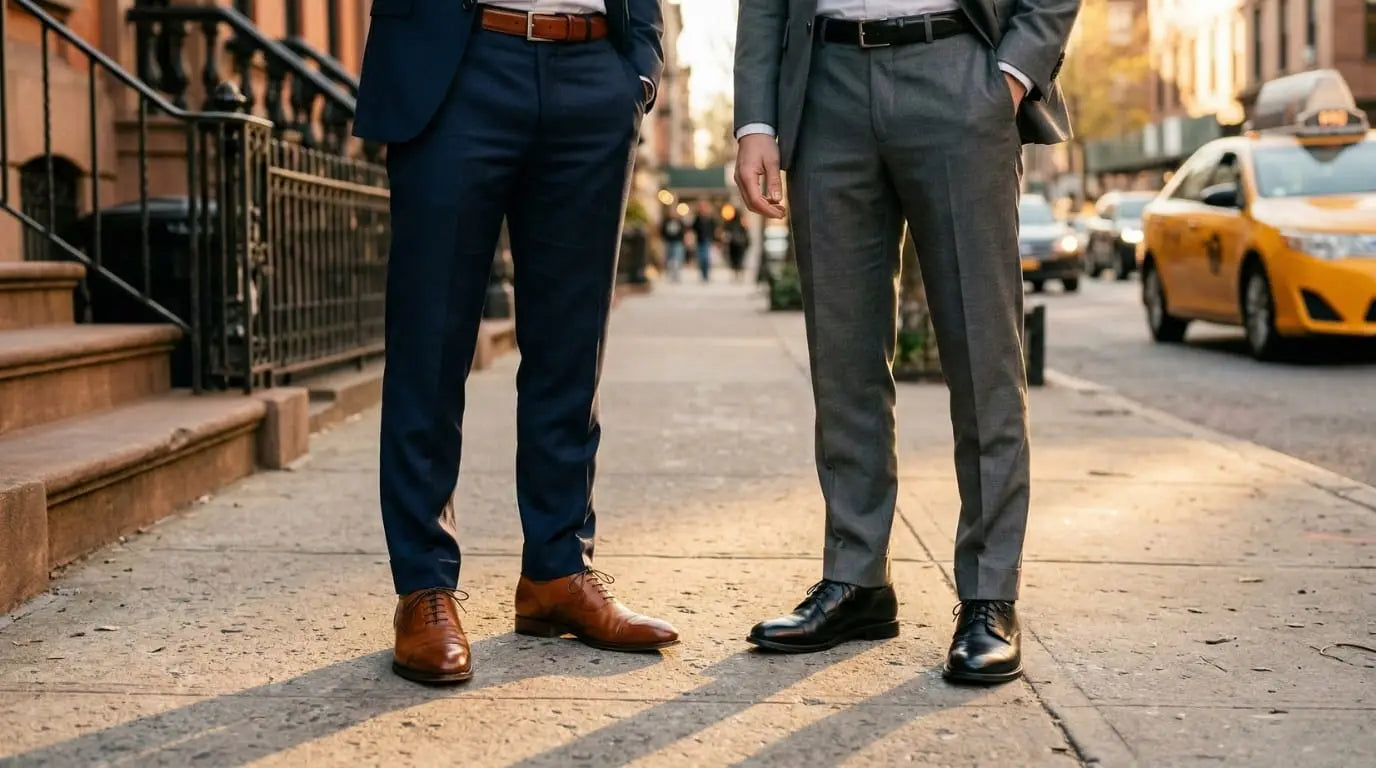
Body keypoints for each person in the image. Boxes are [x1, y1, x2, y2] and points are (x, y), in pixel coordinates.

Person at [733, 0, 1079, 684]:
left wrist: (1011, 74)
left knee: (984, 354)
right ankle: (856, 579)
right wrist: (756, 120)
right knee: (842, 357)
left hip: (957, 66)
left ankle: (989, 594)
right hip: (823, 80)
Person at [354, 0, 679, 686]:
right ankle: (423, 587)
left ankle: (557, 572)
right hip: (459, 62)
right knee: (430, 343)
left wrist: (640, 67)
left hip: (595, 68)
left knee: (571, 346)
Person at [689, 201, 718, 282]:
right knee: (702, 259)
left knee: (707, 259)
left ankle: (706, 275)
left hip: (709, 240)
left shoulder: (710, 218)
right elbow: (693, 228)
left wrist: (716, 240)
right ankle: (703, 275)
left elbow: (714, 229)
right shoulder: (697, 218)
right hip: (700, 240)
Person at [660, 211, 687, 282]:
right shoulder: (666, 222)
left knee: (677, 258)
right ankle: (671, 274)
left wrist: (683, 240)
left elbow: (683, 232)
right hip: (669, 242)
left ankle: (677, 274)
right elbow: (662, 231)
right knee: (670, 259)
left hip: (678, 242)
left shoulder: (680, 222)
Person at [724, 212, 749, 280]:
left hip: (734, 244)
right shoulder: (742, 223)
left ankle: (736, 274)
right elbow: (746, 234)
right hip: (740, 244)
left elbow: (727, 234)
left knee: (734, 260)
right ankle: (738, 274)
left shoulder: (731, 223)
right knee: (739, 259)